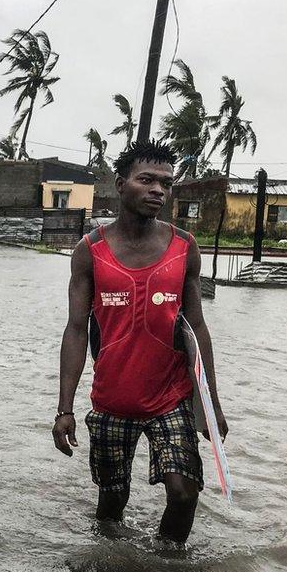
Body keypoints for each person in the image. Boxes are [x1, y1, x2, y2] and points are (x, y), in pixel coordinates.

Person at [52, 141, 229, 545]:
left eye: (166, 184)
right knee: (112, 503)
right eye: (146, 180)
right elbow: (76, 330)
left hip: (171, 398)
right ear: (121, 184)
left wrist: (211, 404)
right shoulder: (89, 251)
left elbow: (197, 328)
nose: (158, 191)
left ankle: (168, 571)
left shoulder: (184, 247)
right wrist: (64, 409)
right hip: (113, 399)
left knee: (185, 494)